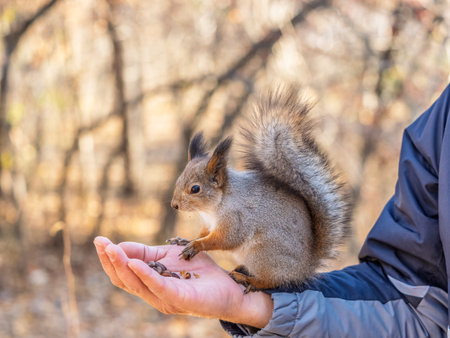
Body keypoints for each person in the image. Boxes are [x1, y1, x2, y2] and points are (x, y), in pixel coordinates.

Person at [94, 85, 450, 337]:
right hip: (289, 266)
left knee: (258, 242)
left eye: (193, 192)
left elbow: (229, 236)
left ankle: (261, 279)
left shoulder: (232, 205)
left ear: (216, 181)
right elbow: (412, 299)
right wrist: (247, 308)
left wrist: (200, 246)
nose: (179, 203)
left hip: (280, 253)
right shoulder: (439, 128)